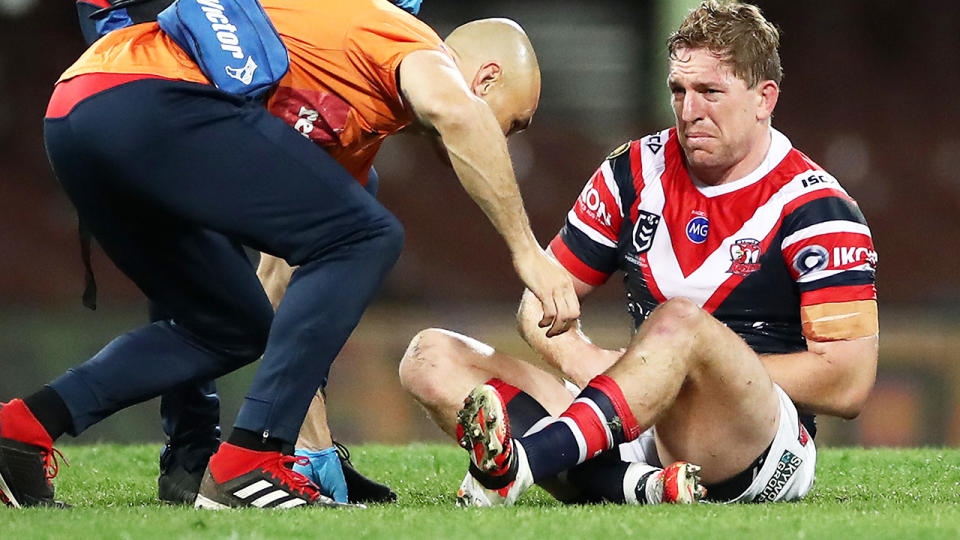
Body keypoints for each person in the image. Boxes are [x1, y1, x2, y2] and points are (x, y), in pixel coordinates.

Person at [0, 0, 579, 509]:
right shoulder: (412, 43)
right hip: (145, 96)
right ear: (485, 77)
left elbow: (284, 281)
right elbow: (458, 114)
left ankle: (22, 431)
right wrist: (526, 252)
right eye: (516, 122)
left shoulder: (353, 122)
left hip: (82, 116)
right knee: (371, 234)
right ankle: (244, 462)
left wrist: (316, 452)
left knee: (233, 325)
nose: (508, 139)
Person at [399, 0, 878, 506]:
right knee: (430, 357)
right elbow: (540, 299)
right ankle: (640, 488)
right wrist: (586, 360)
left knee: (681, 324)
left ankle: (524, 462)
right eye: (680, 90)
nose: (691, 110)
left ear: (764, 99)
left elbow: (847, 382)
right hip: (638, 419)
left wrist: (685, 369)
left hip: (756, 446)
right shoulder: (633, 172)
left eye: (711, 92)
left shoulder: (816, 208)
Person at [70, 0, 415, 506]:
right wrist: (140, 60)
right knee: (196, 229)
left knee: (346, 217)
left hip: (298, 74)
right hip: (192, 69)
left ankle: (298, 447)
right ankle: (193, 446)